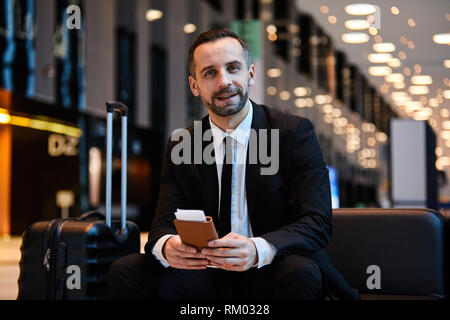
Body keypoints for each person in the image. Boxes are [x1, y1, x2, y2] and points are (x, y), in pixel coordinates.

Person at [109, 29, 359, 300]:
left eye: (233, 68)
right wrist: (168, 246)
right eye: (210, 73)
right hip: (205, 274)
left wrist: (257, 249)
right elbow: (161, 226)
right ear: (194, 86)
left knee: (300, 271)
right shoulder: (182, 143)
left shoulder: (294, 134)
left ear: (250, 74)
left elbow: (317, 222)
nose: (224, 82)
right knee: (127, 269)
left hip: (270, 267)